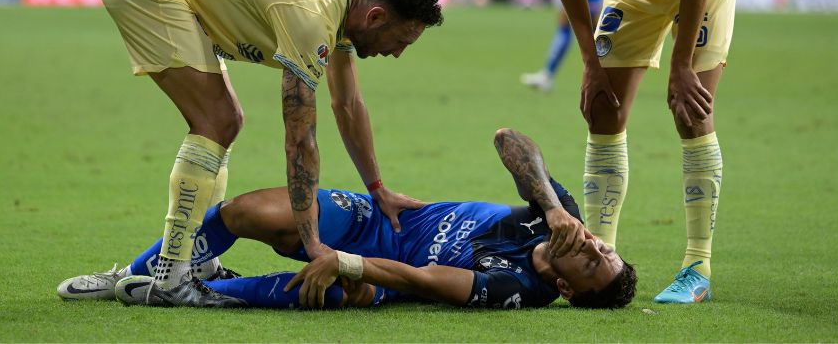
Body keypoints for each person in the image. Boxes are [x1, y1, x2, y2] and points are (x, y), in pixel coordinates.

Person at [94, 0, 443, 304]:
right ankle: (172, 278)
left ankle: (195, 265)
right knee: (217, 121)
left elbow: (348, 104)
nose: (396, 53)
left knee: (226, 121)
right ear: (375, 18)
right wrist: (313, 244)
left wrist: (378, 189)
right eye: (400, 41)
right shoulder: (311, 15)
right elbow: (299, 140)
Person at [58, 128, 637, 310]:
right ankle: (147, 273)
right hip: (375, 219)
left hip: (382, 269)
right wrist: (556, 205)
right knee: (244, 210)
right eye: (605, 252)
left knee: (343, 291)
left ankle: (210, 292)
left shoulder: (518, 288)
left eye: (593, 268)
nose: (595, 251)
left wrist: (346, 262)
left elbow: (419, 281)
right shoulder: (559, 220)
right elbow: (508, 139)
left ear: (564, 287)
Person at [536, 0, 735, 303]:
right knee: (603, 109)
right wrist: (589, 62)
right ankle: (603, 250)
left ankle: (696, 266)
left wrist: (682, 67)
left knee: (691, 111)